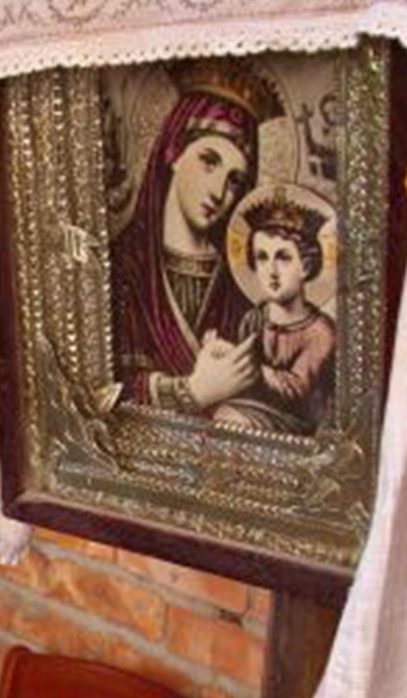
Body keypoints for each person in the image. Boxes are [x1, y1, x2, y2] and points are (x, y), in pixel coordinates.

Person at [109, 58, 285, 417]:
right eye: (209, 161)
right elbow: (95, 387)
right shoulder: (123, 266)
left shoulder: (244, 281)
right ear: (173, 150)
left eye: (236, 179)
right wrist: (189, 391)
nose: (220, 191)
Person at [213, 189, 337, 436]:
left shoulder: (321, 332)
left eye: (283, 258)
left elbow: (296, 389)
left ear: (306, 266)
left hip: (298, 427)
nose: (271, 271)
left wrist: (249, 367)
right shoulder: (253, 319)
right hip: (252, 411)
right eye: (261, 257)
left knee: (231, 419)